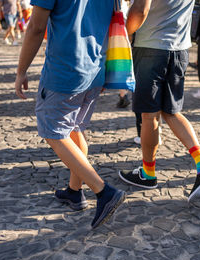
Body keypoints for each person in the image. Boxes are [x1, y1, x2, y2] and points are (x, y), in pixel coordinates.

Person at [14, 0, 126, 228]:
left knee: (54, 133)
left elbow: (36, 26)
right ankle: (74, 192)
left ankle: (103, 191)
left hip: (65, 70)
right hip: (96, 68)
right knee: (74, 129)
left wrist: (21, 71)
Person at [118, 0, 200, 202]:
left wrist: (124, 37)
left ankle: (148, 173)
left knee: (149, 116)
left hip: (150, 47)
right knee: (170, 111)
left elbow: (141, 8)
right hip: (180, 49)